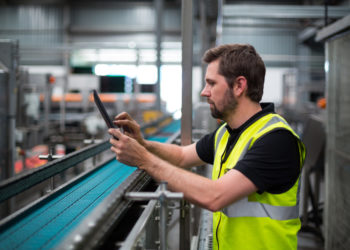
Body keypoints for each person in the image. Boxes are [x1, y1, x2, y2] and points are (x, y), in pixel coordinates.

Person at [108, 44, 305, 250]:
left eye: (211, 83)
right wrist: (143, 144)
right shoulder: (227, 132)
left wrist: (143, 159)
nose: (204, 92)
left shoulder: (276, 140)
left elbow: (214, 196)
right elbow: (182, 156)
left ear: (239, 86)